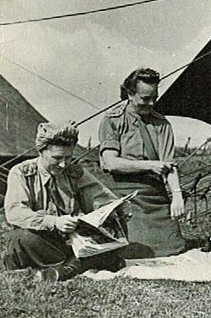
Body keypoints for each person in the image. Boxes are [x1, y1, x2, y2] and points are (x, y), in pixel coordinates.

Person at [3, 122, 125, 282]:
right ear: (41, 151)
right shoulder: (21, 172)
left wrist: (115, 210)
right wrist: (54, 221)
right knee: (19, 238)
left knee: (116, 232)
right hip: (44, 243)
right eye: (57, 158)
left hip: (74, 243)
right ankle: (73, 267)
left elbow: (102, 200)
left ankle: (61, 271)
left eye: (68, 157)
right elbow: (16, 212)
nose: (63, 164)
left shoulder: (75, 172)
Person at [99, 68, 186, 258]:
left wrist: (177, 195)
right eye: (145, 98)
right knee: (135, 251)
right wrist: (150, 165)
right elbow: (111, 163)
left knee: (174, 249)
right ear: (130, 94)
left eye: (154, 97)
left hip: (154, 194)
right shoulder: (113, 120)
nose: (151, 103)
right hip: (123, 194)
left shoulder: (162, 123)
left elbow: (169, 165)